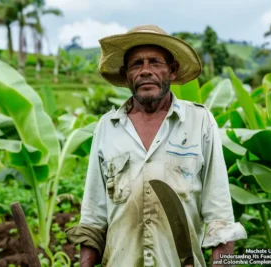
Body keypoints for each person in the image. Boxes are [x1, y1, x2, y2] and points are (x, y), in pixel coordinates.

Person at [66, 25, 247, 267]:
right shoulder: (107, 127)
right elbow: (93, 217)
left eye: (155, 62)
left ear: (172, 71)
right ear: (125, 74)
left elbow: (220, 216)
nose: (145, 71)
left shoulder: (199, 122)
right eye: (136, 64)